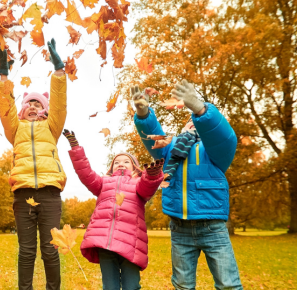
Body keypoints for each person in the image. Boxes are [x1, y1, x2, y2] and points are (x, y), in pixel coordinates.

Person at [132, 81, 242, 290]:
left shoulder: (215, 151)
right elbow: (153, 138)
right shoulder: (172, 148)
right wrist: (144, 115)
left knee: (228, 284)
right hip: (180, 228)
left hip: (212, 227)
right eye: (189, 123)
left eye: (196, 123)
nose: (192, 125)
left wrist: (200, 110)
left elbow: (223, 136)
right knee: (182, 285)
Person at [0, 39, 68, 290]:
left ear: (45, 110)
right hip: (23, 193)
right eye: (29, 104)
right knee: (26, 251)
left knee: (50, 249)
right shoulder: (15, 130)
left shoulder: (52, 127)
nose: (33, 107)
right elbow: (5, 108)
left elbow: (59, 103)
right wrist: (3, 76)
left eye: (38, 104)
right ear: (22, 110)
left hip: (49, 192)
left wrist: (59, 72)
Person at [63, 129, 163, 290]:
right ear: (111, 167)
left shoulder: (138, 183)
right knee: (110, 286)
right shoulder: (103, 183)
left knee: (132, 286)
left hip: (131, 242)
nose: (120, 163)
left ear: (135, 167)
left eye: (126, 161)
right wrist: (75, 148)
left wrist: (152, 176)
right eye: (116, 162)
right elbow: (86, 174)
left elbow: (147, 188)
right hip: (105, 243)